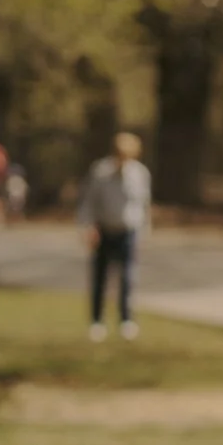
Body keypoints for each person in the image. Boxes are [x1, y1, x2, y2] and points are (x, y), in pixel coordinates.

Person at [77, 128, 152, 339]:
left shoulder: (139, 174)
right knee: (100, 277)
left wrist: (144, 231)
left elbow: (144, 205)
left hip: (128, 230)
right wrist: (88, 226)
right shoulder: (101, 171)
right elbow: (89, 202)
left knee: (127, 278)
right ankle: (97, 320)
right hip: (104, 229)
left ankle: (126, 319)